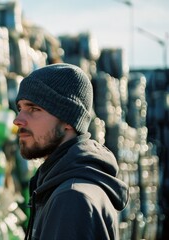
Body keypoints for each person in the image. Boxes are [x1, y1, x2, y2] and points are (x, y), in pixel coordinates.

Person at [13, 63, 129, 239]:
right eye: (20, 108)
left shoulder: (72, 199)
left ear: (69, 119)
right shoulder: (60, 185)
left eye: (34, 109)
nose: (18, 120)